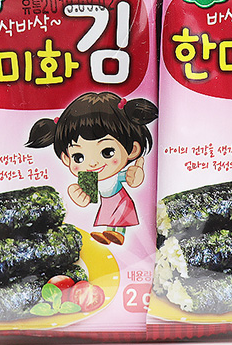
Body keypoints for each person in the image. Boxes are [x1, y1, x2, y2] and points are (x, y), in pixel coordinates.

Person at [27, 91, 158, 245]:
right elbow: (88, 199)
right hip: (107, 203)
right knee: (109, 216)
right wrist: (79, 195)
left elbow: (133, 180)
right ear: (66, 158)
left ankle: (118, 234)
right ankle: (109, 234)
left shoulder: (115, 175)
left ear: (133, 150)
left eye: (107, 152)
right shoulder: (88, 178)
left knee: (120, 216)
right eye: (79, 157)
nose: (93, 163)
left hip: (120, 200)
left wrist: (136, 175)